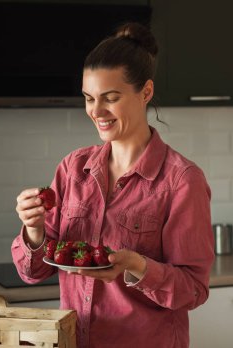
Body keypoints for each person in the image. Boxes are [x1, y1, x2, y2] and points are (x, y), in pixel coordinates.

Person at [13, 22, 215, 348]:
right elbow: (32, 272)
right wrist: (33, 229)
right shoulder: (72, 169)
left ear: (145, 92)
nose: (96, 111)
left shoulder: (181, 181)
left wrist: (137, 266)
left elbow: (194, 289)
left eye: (111, 98)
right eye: (89, 98)